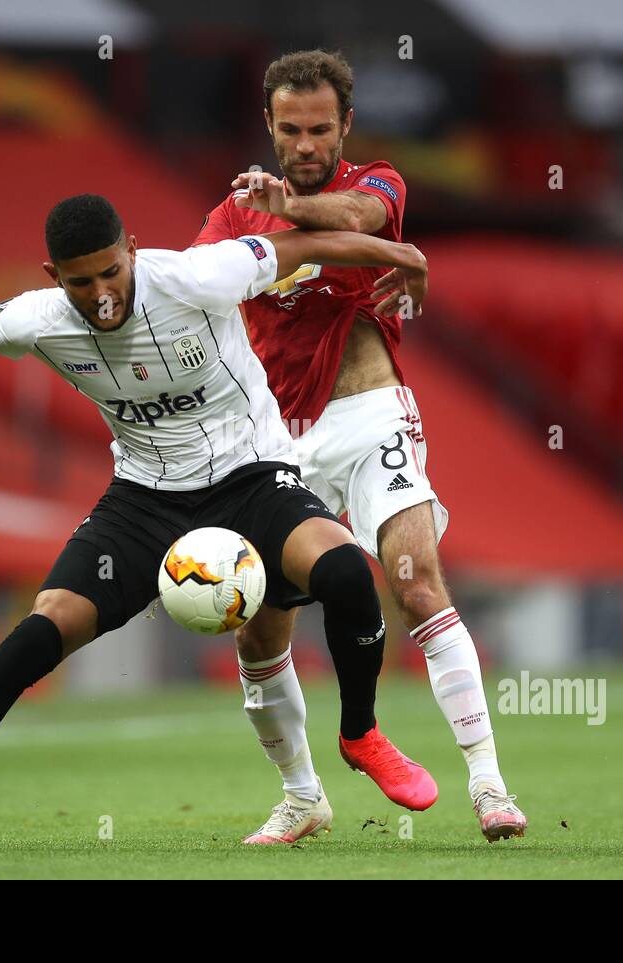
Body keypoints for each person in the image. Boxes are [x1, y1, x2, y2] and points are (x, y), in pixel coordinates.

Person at [0, 192, 435, 850]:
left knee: (344, 570)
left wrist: (402, 255)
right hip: (144, 499)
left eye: (111, 271)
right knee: (40, 630)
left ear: (132, 250)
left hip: (251, 478)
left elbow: (305, 245)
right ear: (54, 278)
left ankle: (360, 732)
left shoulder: (198, 275)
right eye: (81, 281)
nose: (101, 292)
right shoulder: (42, 318)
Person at [192, 49, 527, 844]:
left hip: (371, 414)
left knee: (414, 582)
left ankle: (489, 785)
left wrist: (294, 210)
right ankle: (303, 794)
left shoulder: (379, 183)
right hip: (278, 439)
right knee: (259, 625)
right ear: (268, 127)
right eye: (288, 130)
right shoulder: (236, 214)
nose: (303, 146)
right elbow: (188, 286)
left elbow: (362, 222)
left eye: (318, 130)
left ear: (345, 127)